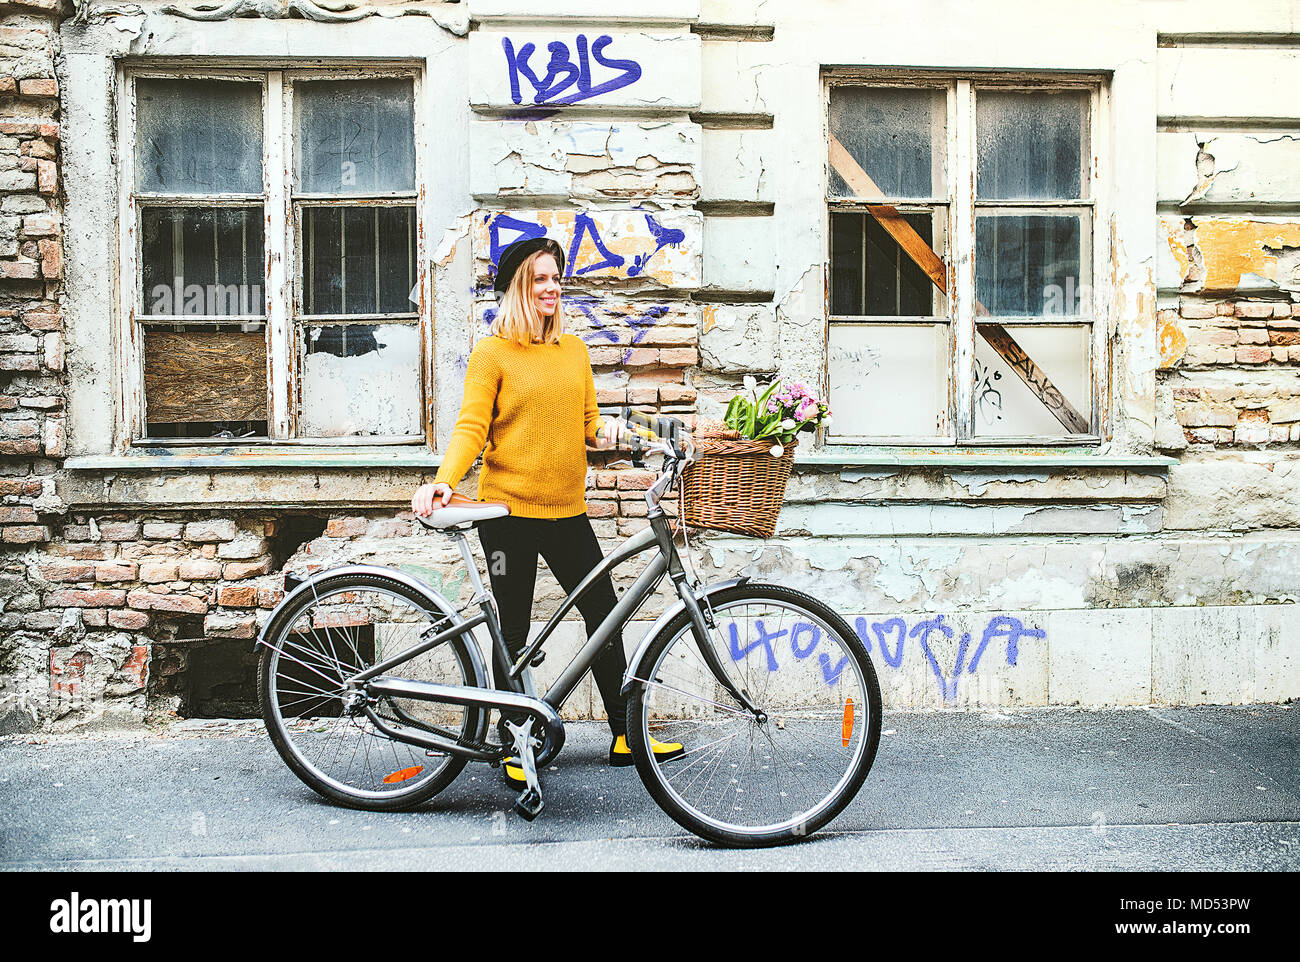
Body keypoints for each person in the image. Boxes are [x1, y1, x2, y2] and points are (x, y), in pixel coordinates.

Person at [411, 236, 682, 790]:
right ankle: (516, 737)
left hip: (567, 511)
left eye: (557, 277)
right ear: (517, 287)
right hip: (507, 514)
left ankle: (626, 733)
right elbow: (470, 427)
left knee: (604, 612)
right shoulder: (493, 354)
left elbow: (589, 427)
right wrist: (443, 482)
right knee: (512, 625)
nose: (552, 287)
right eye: (539, 278)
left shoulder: (574, 352)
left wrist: (615, 432)